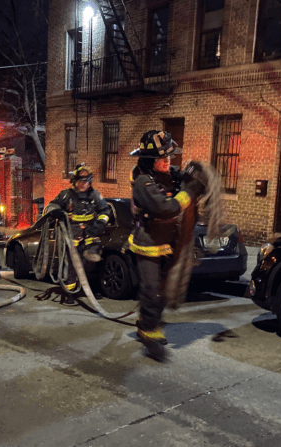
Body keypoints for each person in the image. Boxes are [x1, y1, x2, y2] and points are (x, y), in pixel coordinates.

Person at [128, 130, 206, 361]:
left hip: (170, 242)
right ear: (149, 161)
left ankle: (148, 322)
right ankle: (147, 331)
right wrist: (190, 191)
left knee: (163, 289)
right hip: (148, 243)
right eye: (162, 159)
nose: (167, 162)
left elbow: (182, 177)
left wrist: (195, 174)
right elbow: (167, 208)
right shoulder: (142, 181)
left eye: (169, 158)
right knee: (151, 288)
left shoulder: (169, 173)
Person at [49, 163, 111, 303]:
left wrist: (100, 223)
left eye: (87, 182)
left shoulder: (95, 195)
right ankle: (70, 293)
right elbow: (52, 205)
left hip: (90, 234)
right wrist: (55, 211)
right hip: (72, 236)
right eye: (81, 181)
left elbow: (105, 211)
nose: (84, 185)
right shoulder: (66, 195)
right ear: (74, 181)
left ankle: (91, 289)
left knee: (92, 263)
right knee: (71, 265)